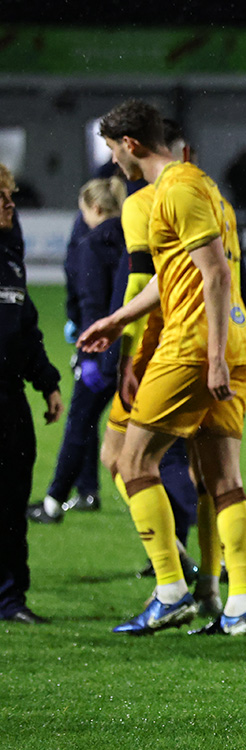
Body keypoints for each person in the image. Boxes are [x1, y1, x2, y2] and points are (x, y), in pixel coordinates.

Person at [78, 99, 246, 636]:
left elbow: (216, 275)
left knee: (130, 462)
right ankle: (236, 605)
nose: (113, 165)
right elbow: (171, 276)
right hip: (229, 342)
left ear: (131, 145)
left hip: (193, 346)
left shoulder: (172, 191)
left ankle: (170, 589)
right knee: (222, 479)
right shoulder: (202, 189)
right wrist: (118, 319)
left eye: (113, 152)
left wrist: (214, 357)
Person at [27, 177, 126, 526]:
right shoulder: (134, 240)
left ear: (95, 209)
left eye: (84, 212)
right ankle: (181, 506)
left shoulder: (91, 244)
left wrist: (90, 353)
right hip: (134, 353)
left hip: (99, 352)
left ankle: (54, 502)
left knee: (79, 424)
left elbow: (92, 304)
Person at [0, 162, 64, 624]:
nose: (10, 205)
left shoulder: (9, 257)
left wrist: (47, 382)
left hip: (9, 398)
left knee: (11, 499)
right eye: (1, 199)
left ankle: (10, 599)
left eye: (10, 197)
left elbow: (25, 327)